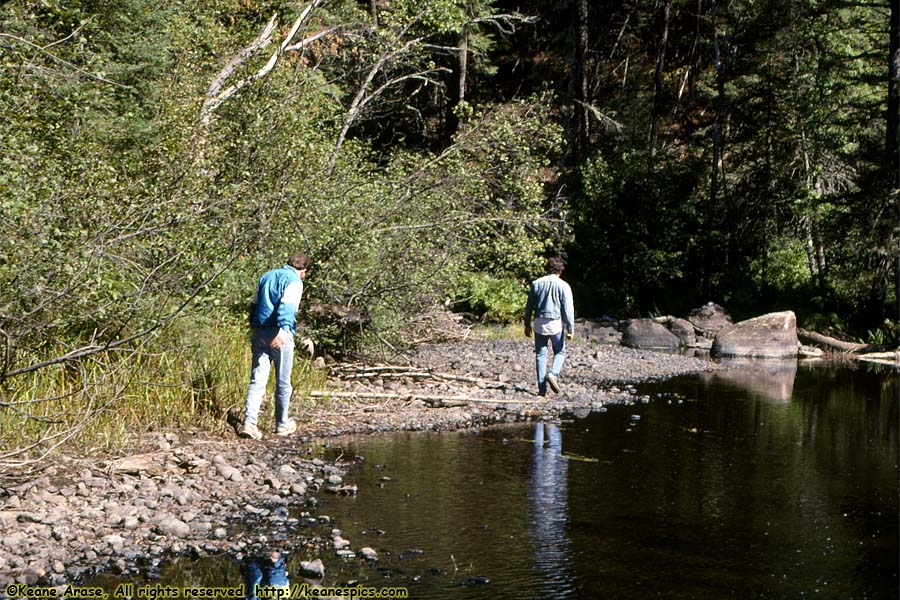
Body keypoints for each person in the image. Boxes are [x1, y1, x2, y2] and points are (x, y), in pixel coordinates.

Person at [239, 253, 311, 439]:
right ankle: (282, 423)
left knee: (257, 380)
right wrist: (284, 330)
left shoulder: (267, 276)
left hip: (259, 331)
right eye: (305, 273)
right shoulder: (294, 281)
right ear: (303, 271)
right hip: (279, 333)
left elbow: (254, 304)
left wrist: (253, 326)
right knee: (283, 381)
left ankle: (249, 422)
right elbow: (287, 306)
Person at [524, 256, 574, 396]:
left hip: (539, 323)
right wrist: (570, 329)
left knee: (541, 355)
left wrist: (527, 324)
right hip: (555, 323)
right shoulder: (564, 285)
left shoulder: (536, 283)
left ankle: (541, 390)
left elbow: (529, 307)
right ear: (560, 270)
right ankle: (553, 373)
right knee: (560, 351)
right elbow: (568, 310)